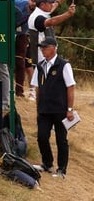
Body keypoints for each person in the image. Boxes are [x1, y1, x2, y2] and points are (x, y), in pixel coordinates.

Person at [32, 35, 76, 179]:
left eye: (45, 47)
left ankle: (62, 169)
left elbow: (70, 87)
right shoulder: (40, 66)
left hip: (60, 109)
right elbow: (37, 87)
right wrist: (38, 107)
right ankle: (47, 163)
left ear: (53, 48)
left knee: (61, 139)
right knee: (42, 137)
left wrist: (69, 109)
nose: (43, 50)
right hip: (44, 109)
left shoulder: (63, 65)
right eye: (42, 48)